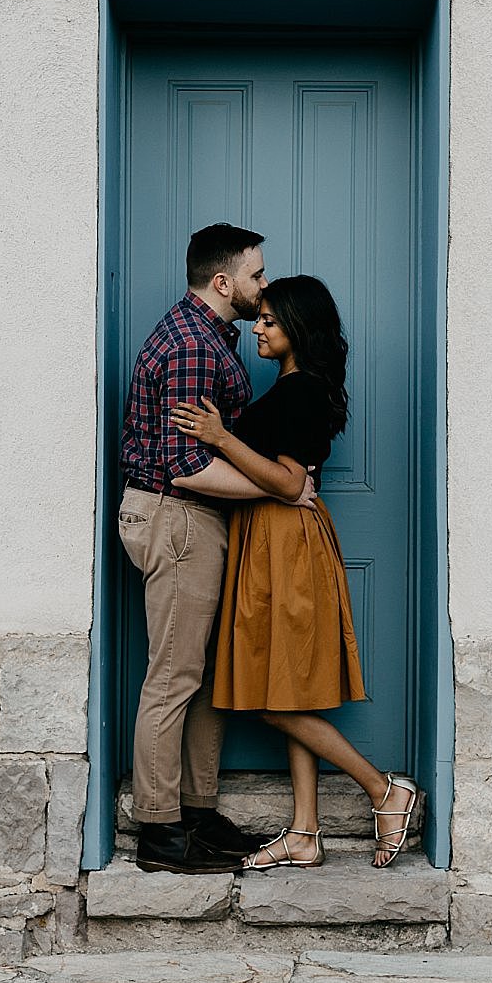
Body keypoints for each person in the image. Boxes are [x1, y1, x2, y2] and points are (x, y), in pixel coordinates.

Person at [171, 275, 418, 870]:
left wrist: (221, 438)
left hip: (285, 541)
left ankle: (385, 790)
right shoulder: (295, 387)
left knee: (273, 697)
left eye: (271, 321)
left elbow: (286, 482)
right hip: (270, 539)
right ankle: (305, 832)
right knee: (286, 686)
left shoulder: (300, 391)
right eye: (260, 318)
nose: (257, 326)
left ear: (298, 330)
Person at [118, 223, 315, 876]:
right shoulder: (191, 347)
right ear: (223, 281)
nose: (264, 289)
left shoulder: (207, 338)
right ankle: (159, 831)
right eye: (257, 276)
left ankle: (195, 813)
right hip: (178, 517)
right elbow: (184, 465)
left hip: (197, 522)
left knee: (199, 679)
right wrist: (281, 493)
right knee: (174, 678)